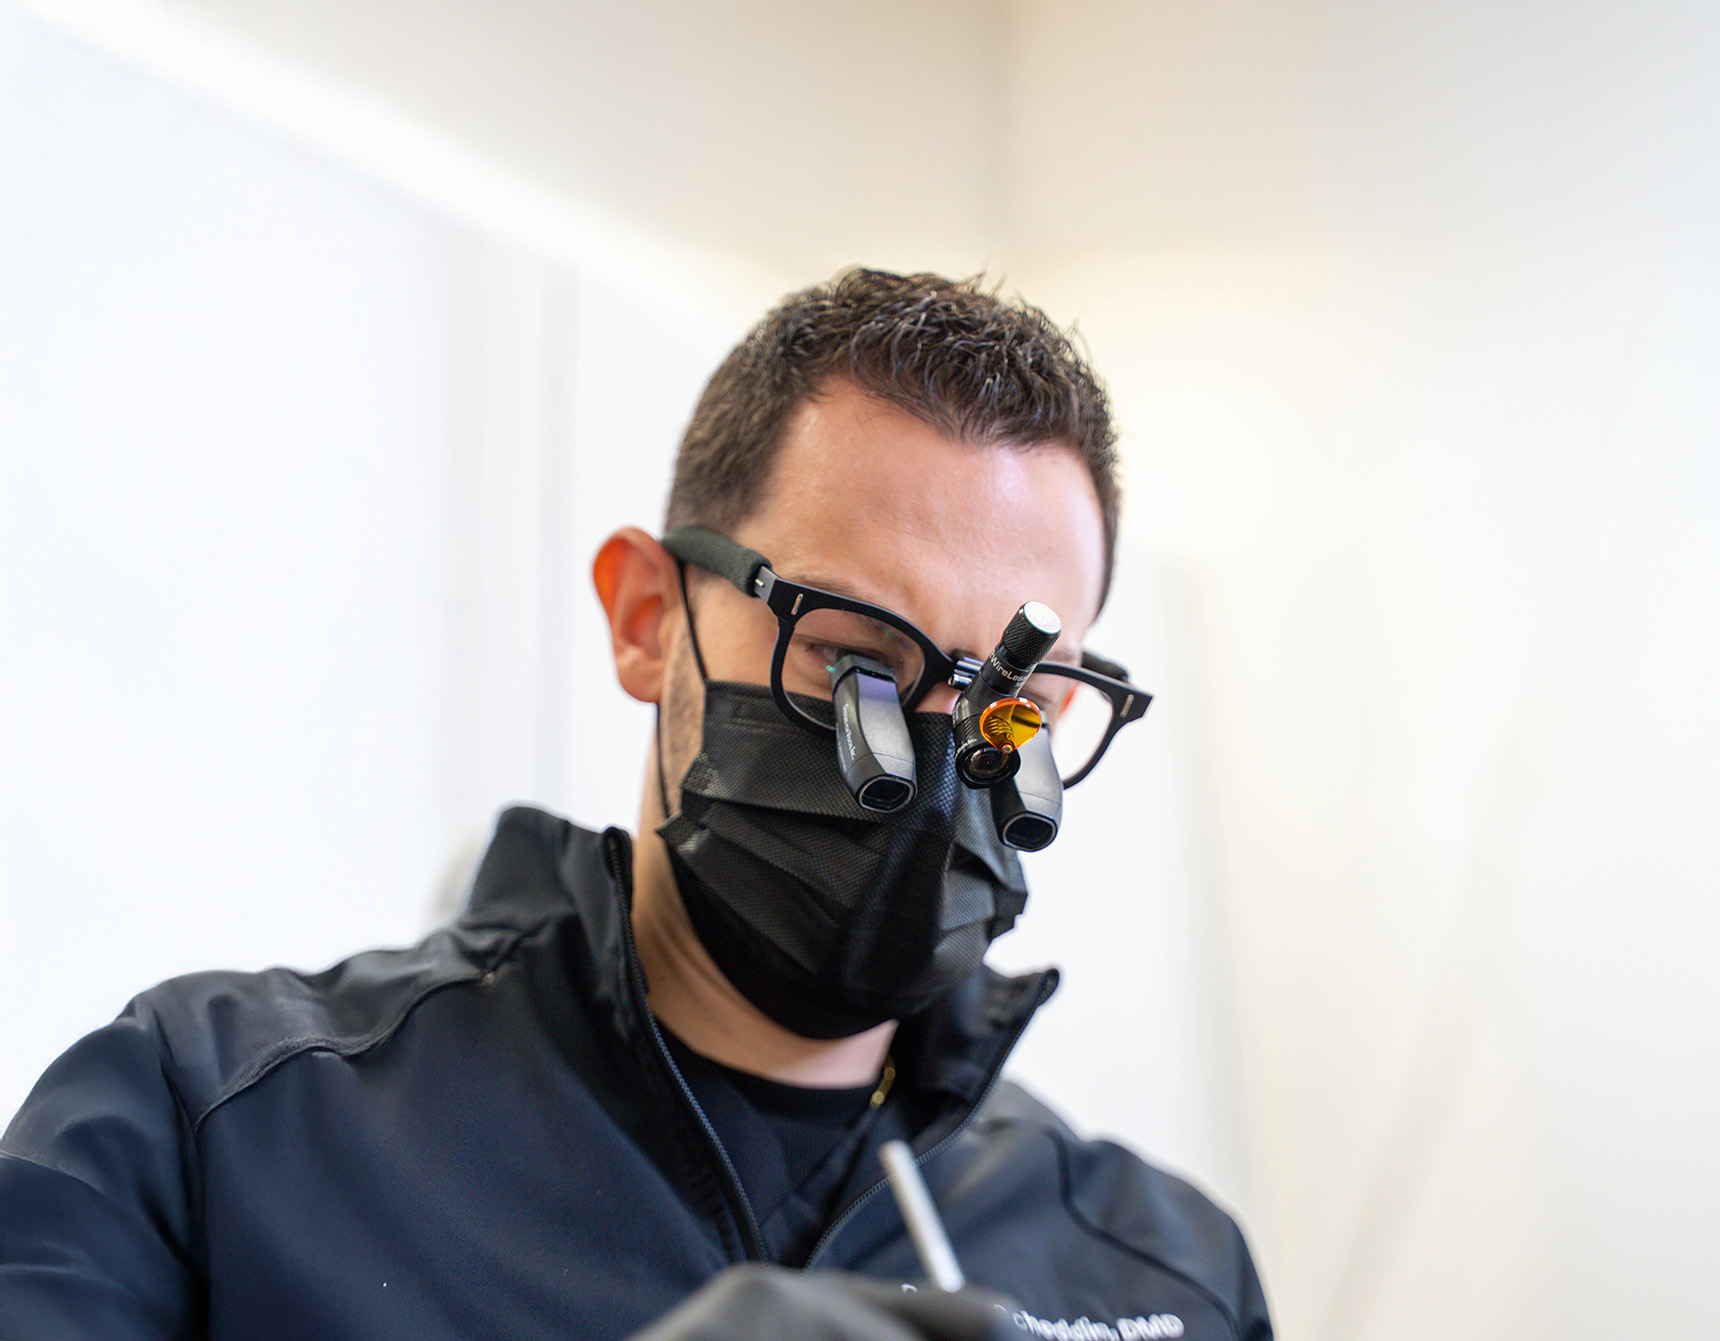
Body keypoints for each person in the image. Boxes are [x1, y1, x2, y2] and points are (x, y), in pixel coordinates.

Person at [0, 269, 1273, 1339]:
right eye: (856, 660)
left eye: (1010, 705)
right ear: (648, 621)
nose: (934, 763)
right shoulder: (219, 1128)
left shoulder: (1168, 1273)